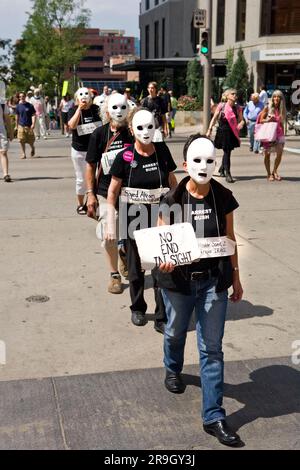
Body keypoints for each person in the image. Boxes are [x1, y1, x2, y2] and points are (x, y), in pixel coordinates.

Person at [156, 134, 243, 447]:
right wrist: (164, 260)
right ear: (184, 165)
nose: (204, 166)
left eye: (209, 160)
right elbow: (163, 242)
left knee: (211, 349)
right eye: (197, 160)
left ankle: (214, 416)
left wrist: (235, 276)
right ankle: (172, 367)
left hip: (212, 283)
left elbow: (230, 238)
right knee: (176, 332)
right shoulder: (172, 200)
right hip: (178, 283)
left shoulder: (223, 197)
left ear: (216, 163)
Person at [106, 109, 177, 331]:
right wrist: (110, 222)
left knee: (159, 268)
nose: (145, 132)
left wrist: (177, 212)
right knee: (136, 270)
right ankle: (137, 307)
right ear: (131, 129)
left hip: (159, 218)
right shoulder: (125, 156)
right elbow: (112, 192)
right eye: (140, 127)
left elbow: (173, 183)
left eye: (150, 126)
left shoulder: (162, 151)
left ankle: (161, 314)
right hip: (132, 219)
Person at [85, 93, 133, 294]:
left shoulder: (134, 132)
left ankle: (124, 252)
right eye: (114, 108)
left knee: (131, 234)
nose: (119, 112)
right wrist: (90, 193)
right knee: (109, 235)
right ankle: (114, 275)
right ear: (107, 111)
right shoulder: (99, 134)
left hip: (132, 191)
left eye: (123, 108)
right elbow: (90, 165)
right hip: (106, 191)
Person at [68, 87, 102, 215]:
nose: (84, 97)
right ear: (77, 98)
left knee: (96, 177)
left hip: (94, 149)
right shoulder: (73, 110)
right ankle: (80, 204)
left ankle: (93, 201)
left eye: (86, 94)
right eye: (81, 95)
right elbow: (71, 125)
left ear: (91, 97)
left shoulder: (96, 109)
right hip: (79, 150)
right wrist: (79, 109)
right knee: (81, 179)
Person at [207, 89, 244, 183]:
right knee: (227, 152)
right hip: (222, 132)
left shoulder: (238, 108)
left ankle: (222, 168)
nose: (235, 95)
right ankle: (228, 173)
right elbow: (214, 118)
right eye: (232, 94)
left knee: (227, 151)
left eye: (236, 94)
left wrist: (241, 124)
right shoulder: (222, 106)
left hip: (232, 133)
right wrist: (209, 129)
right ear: (227, 96)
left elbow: (241, 120)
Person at [258, 90, 287, 181]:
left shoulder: (282, 110)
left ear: (281, 99)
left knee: (279, 154)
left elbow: (281, 123)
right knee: (267, 155)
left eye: (278, 97)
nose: (276, 98)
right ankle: (268, 174)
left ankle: (275, 171)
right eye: (274, 96)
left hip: (279, 134)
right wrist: (268, 121)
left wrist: (284, 134)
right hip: (269, 134)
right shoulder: (267, 107)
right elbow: (261, 120)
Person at [15, 92, 36, 159]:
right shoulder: (18, 106)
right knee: (21, 140)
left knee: (31, 141)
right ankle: (23, 154)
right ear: (19, 98)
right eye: (20, 96)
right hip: (21, 125)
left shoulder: (30, 105)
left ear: (25, 96)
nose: (22, 97)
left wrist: (33, 123)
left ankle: (33, 148)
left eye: (23, 96)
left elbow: (33, 115)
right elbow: (17, 116)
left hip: (29, 126)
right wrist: (16, 125)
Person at [0, 101, 13, 182]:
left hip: (1, 132)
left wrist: (10, 132)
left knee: (3, 152)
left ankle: (6, 174)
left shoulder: (2, 104)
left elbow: (7, 119)